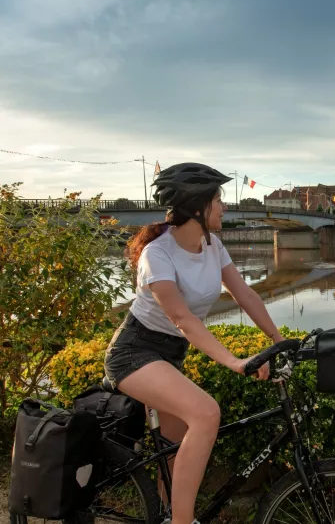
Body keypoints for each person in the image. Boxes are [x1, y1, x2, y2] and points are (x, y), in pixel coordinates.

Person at [104, 162, 284, 524]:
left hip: (169, 356)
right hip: (135, 353)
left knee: (171, 452)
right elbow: (182, 319)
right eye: (218, 199)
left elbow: (245, 295)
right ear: (198, 206)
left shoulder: (212, 245)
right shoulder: (159, 254)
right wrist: (234, 360)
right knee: (206, 413)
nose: (224, 206)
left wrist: (280, 341)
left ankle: (167, 515)